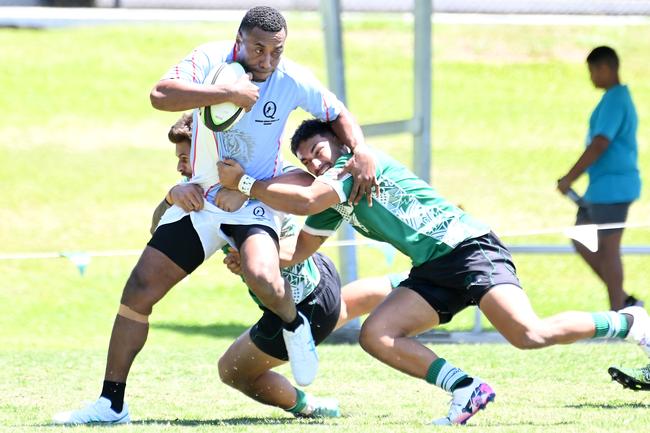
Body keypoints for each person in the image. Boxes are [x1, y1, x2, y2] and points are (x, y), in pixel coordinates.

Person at [53, 6, 376, 425]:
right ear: (239, 39)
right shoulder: (209, 60)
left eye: (275, 51)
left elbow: (337, 114)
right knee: (138, 290)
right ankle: (111, 403)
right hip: (202, 200)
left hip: (252, 200)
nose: (266, 61)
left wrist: (362, 149)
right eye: (258, 49)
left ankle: (293, 325)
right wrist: (227, 94)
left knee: (262, 274)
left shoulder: (291, 79)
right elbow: (160, 94)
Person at [217, 118, 650, 425]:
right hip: (431, 270)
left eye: (317, 151)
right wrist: (252, 261)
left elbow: (308, 200)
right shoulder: (334, 198)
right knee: (376, 335)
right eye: (306, 160)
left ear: (341, 144)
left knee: (528, 334)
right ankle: (466, 389)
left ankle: (630, 324)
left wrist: (244, 184)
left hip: (469, 250)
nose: (313, 164)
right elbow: (296, 249)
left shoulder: (354, 168)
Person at [557, 46, 642, 311]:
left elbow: (600, 143)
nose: (591, 77)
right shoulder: (612, 99)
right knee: (581, 238)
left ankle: (619, 311)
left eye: (592, 71)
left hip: (614, 188)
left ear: (605, 68)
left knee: (608, 248)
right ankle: (625, 301)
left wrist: (570, 177)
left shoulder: (616, 99)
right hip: (601, 188)